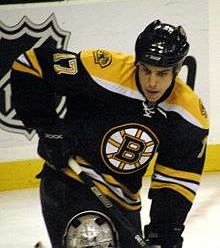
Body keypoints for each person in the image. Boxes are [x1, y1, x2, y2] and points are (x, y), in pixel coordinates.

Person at [10, 19, 209, 248]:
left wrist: (163, 235)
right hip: (71, 180)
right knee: (93, 238)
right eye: (146, 70)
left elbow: (175, 182)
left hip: (124, 202)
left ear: (176, 69)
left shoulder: (189, 115)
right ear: (137, 63)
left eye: (162, 73)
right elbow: (30, 65)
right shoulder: (102, 70)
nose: (152, 82)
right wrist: (50, 129)